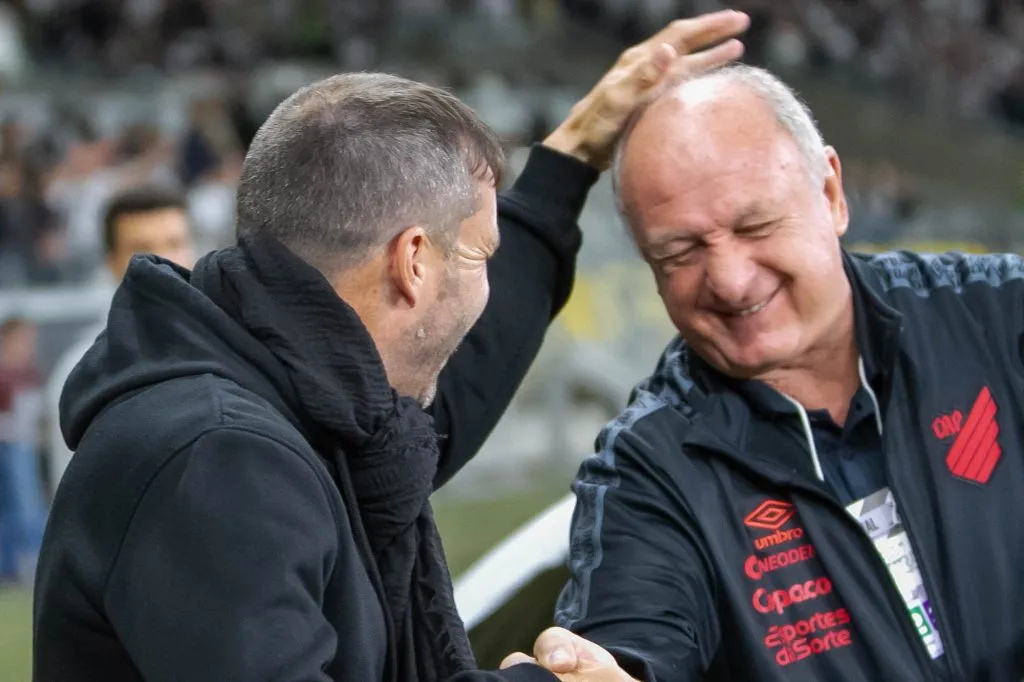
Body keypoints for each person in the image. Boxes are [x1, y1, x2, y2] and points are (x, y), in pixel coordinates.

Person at [32, 11, 750, 682]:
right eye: (480, 256)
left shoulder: (303, 407)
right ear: (412, 261)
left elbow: (458, 392)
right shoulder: (217, 460)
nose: (486, 289)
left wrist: (570, 158)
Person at [547, 65, 1024, 681]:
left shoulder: (1000, 320)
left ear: (830, 193)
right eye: (680, 253)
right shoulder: (652, 472)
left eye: (755, 226)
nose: (730, 281)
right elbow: (631, 647)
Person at [43, 185, 197, 497]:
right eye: (142, 249)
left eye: (175, 242)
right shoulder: (82, 371)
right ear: (111, 262)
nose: (164, 260)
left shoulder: (231, 347)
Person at [0, 316, 47, 585]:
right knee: (16, 503)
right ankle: (14, 563)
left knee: (26, 500)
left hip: (22, 442)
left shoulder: (29, 370)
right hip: (9, 442)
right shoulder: (6, 371)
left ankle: (31, 559)